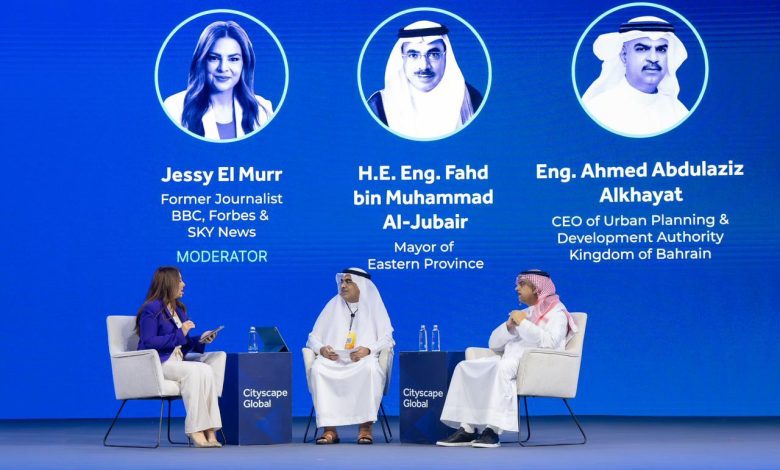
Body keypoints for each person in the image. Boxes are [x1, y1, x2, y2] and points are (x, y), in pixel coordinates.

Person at [437, 270, 578, 448]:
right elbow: (493, 343)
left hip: (535, 365)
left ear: (537, 288)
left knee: (502, 368)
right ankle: (468, 428)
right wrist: (509, 325)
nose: (516, 288)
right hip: (510, 360)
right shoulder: (525, 312)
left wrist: (523, 323)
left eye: (522, 284)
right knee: (465, 367)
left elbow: (549, 344)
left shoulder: (557, 314)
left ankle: (492, 430)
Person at [135, 267, 224, 448]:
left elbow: (182, 343)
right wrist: (180, 333)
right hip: (159, 362)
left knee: (206, 370)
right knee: (194, 371)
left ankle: (210, 429)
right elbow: (148, 341)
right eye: (180, 280)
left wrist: (200, 339)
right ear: (168, 283)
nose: (183, 284)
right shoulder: (151, 310)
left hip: (177, 360)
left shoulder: (179, 310)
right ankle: (195, 429)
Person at [306, 268, 395, 445]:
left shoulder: (374, 305)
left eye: (348, 282)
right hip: (335, 360)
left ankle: (365, 429)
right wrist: (322, 350)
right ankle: (329, 430)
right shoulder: (332, 305)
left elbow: (387, 338)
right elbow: (312, 338)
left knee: (370, 369)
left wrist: (368, 350)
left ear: (361, 285)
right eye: (342, 282)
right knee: (318, 368)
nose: (343, 286)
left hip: (363, 360)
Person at [367, 20, 483, 139]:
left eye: (433, 54)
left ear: (446, 56)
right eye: (413, 55)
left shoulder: (471, 98)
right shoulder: (378, 105)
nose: (424, 66)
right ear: (402, 58)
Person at [163, 21, 273, 140]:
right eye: (214, 58)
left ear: (244, 64)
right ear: (202, 62)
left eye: (233, 59)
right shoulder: (174, 108)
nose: (223, 68)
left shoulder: (263, 110)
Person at [582, 16, 689, 136]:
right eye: (642, 49)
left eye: (661, 50)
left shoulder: (678, 111)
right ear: (624, 55)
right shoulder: (598, 109)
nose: (653, 58)